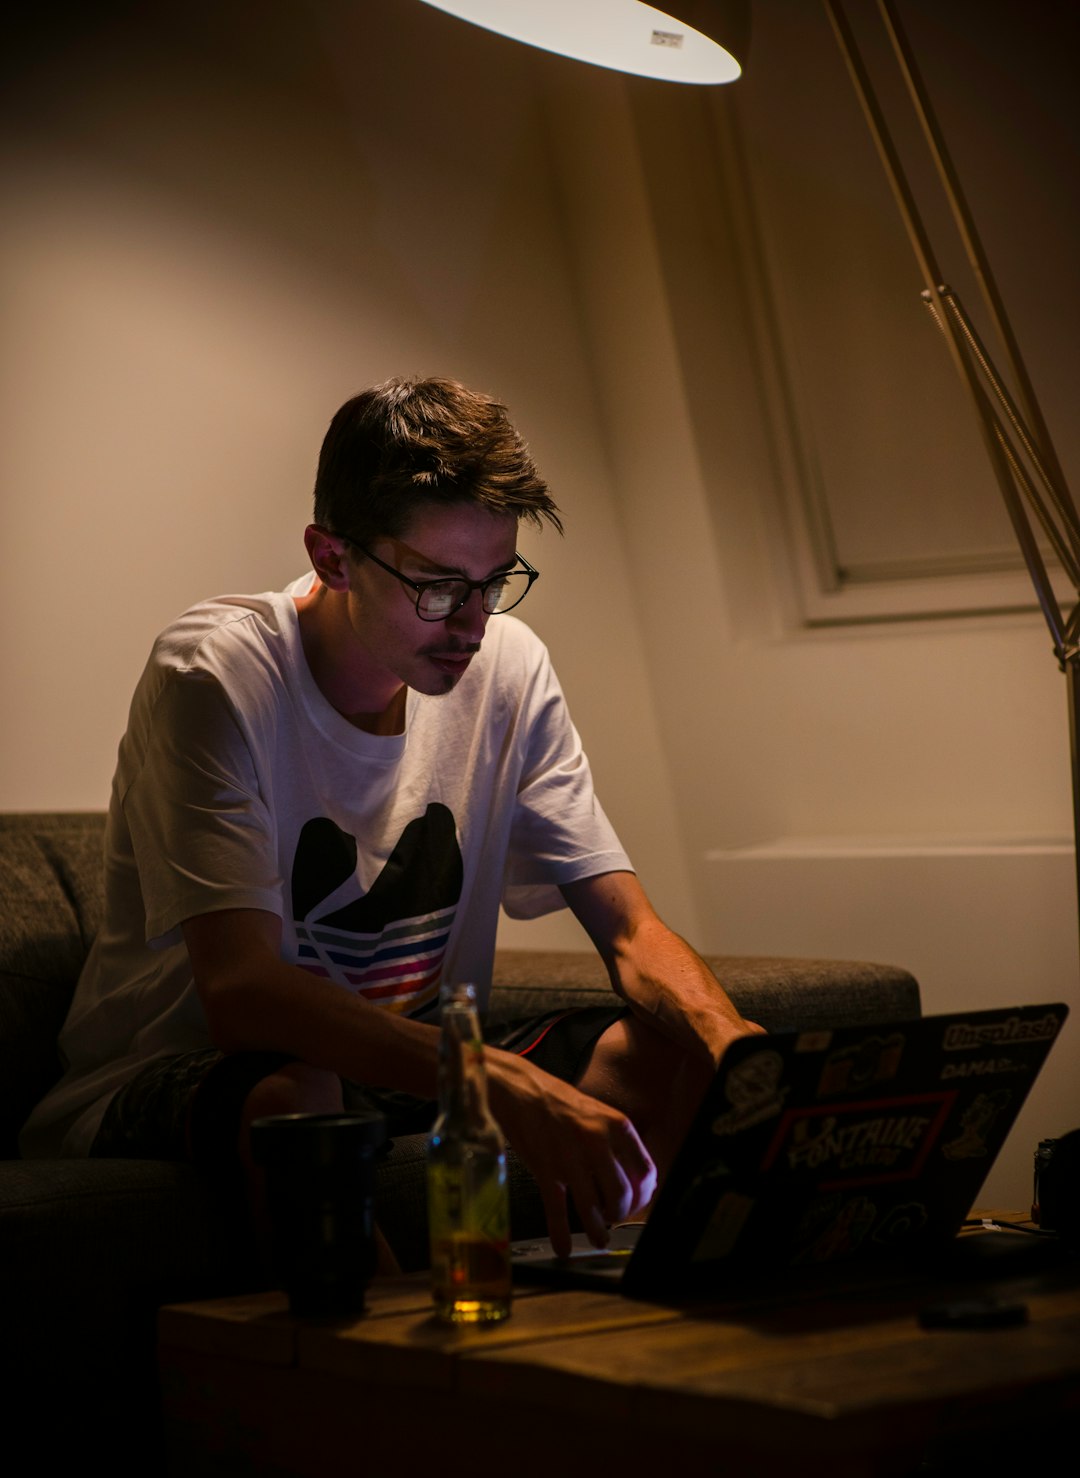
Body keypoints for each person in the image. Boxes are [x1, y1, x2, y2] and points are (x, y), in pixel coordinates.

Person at [21, 376, 761, 1261]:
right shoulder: (217, 677)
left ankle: (632, 1332)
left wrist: (737, 1050)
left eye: (496, 583)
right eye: (440, 586)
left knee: (670, 1052)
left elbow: (632, 931)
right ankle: (394, 1381)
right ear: (333, 557)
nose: (475, 624)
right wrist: (488, 1074)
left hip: (403, 1069)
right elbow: (241, 994)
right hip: (189, 1072)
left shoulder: (510, 668)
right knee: (297, 1099)